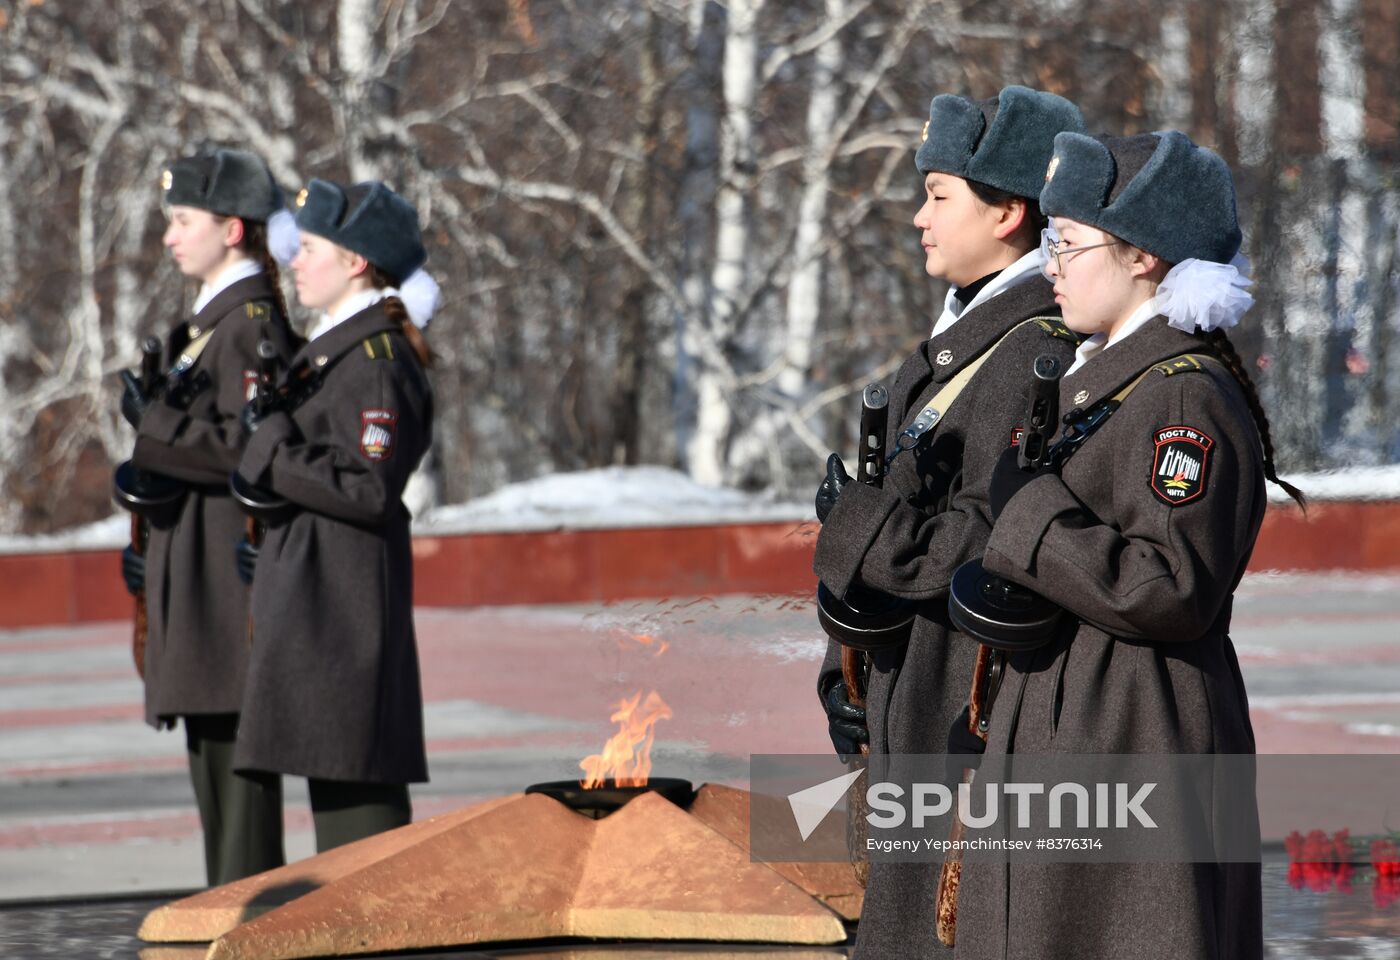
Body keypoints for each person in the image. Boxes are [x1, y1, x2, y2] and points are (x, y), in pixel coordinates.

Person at [951, 131, 1306, 960]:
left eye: (1067, 243)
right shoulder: (1105, 384)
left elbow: (1171, 588)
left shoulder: (1183, 399)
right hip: (1085, 736)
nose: (1050, 267)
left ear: (1142, 257)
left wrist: (1030, 515)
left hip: (1136, 736)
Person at [810, 85, 1084, 957]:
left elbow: (978, 539)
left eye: (938, 195)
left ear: (1008, 211)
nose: (918, 217)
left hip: (958, 709)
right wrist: (843, 674)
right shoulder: (964, 342)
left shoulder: (1031, 351)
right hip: (911, 697)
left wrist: (851, 524)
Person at [232, 178, 438, 851]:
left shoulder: (376, 362)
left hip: (344, 613)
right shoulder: (338, 353)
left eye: (311, 247)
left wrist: (271, 449)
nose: (294, 260)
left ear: (355, 261)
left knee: (360, 836)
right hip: (320, 603)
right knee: (340, 806)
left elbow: (371, 488)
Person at [120, 147, 301, 885]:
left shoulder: (249, 323)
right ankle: (229, 912)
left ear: (232, 229)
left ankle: (248, 917)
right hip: (191, 565)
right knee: (213, 760)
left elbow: (249, 451)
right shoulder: (207, 323)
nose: (169, 236)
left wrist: (157, 429)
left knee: (234, 769)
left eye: (183, 220)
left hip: (224, 580)